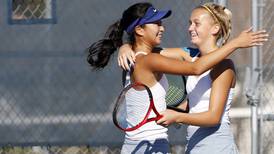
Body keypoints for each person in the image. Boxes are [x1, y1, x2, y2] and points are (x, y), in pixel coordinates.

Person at [87, 2, 267, 154]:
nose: (162, 27)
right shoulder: (158, 58)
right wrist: (236, 43)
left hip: (208, 144)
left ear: (215, 28)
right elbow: (194, 67)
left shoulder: (222, 65)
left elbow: (212, 114)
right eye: (156, 23)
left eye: (196, 23)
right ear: (139, 29)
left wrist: (177, 114)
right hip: (166, 145)